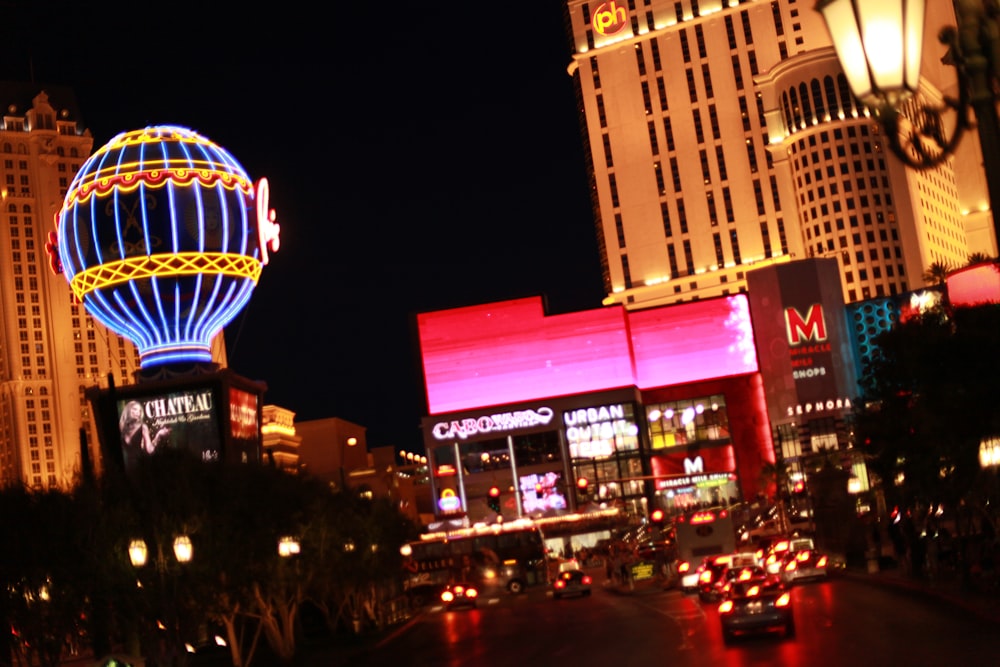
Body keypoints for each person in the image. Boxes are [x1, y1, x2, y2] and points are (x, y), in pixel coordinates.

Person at [119, 400, 169, 468]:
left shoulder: (143, 427)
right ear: (128, 410)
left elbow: (149, 450)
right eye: (135, 409)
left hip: (140, 465)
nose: (138, 413)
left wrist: (158, 436)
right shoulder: (121, 427)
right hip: (126, 466)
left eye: (139, 411)